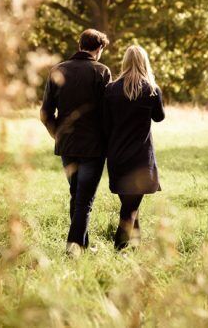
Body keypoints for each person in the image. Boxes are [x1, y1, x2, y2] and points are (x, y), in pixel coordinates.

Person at [40, 29, 112, 257]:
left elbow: (45, 112)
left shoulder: (58, 70)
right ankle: (73, 247)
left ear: (80, 44)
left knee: (77, 195)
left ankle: (83, 245)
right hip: (93, 146)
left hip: (67, 145)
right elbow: (108, 113)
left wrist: (57, 134)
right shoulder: (101, 72)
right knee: (85, 199)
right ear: (99, 48)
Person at [103, 45, 165, 250]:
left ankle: (136, 247)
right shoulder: (151, 89)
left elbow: (106, 120)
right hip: (140, 158)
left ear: (125, 62)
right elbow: (159, 117)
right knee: (130, 208)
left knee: (130, 204)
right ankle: (119, 249)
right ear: (144, 62)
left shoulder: (111, 89)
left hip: (117, 156)